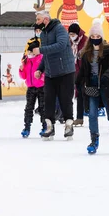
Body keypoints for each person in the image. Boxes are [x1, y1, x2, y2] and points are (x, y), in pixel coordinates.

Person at [75, 19, 109, 155]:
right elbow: (83, 71)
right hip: (91, 86)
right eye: (93, 36)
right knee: (92, 115)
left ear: (102, 37)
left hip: (106, 86)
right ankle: (94, 141)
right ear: (90, 37)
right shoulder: (86, 53)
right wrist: (77, 83)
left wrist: (106, 77)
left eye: (98, 37)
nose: (95, 39)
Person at [34, 11, 75, 140]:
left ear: (46, 20)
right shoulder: (44, 34)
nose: (36, 22)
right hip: (51, 73)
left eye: (38, 19)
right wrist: (40, 69)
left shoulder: (60, 29)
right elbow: (47, 55)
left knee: (65, 100)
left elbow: (61, 45)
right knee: (49, 100)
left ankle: (69, 125)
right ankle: (49, 126)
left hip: (65, 71)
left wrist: (40, 50)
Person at [19, 40, 45, 138]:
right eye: (28, 52)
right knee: (29, 108)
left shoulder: (41, 59)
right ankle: (27, 127)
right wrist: (21, 70)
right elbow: (24, 76)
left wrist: (41, 79)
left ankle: (44, 126)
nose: (29, 54)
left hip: (41, 87)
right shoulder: (26, 60)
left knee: (43, 108)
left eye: (31, 52)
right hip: (30, 88)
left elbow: (44, 73)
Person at [68, 23, 87, 126]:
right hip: (71, 71)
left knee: (82, 94)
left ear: (78, 33)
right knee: (72, 94)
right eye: (70, 34)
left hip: (83, 72)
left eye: (73, 34)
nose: (71, 36)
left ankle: (83, 115)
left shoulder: (85, 41)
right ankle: (73, 117)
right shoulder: (69, 41)